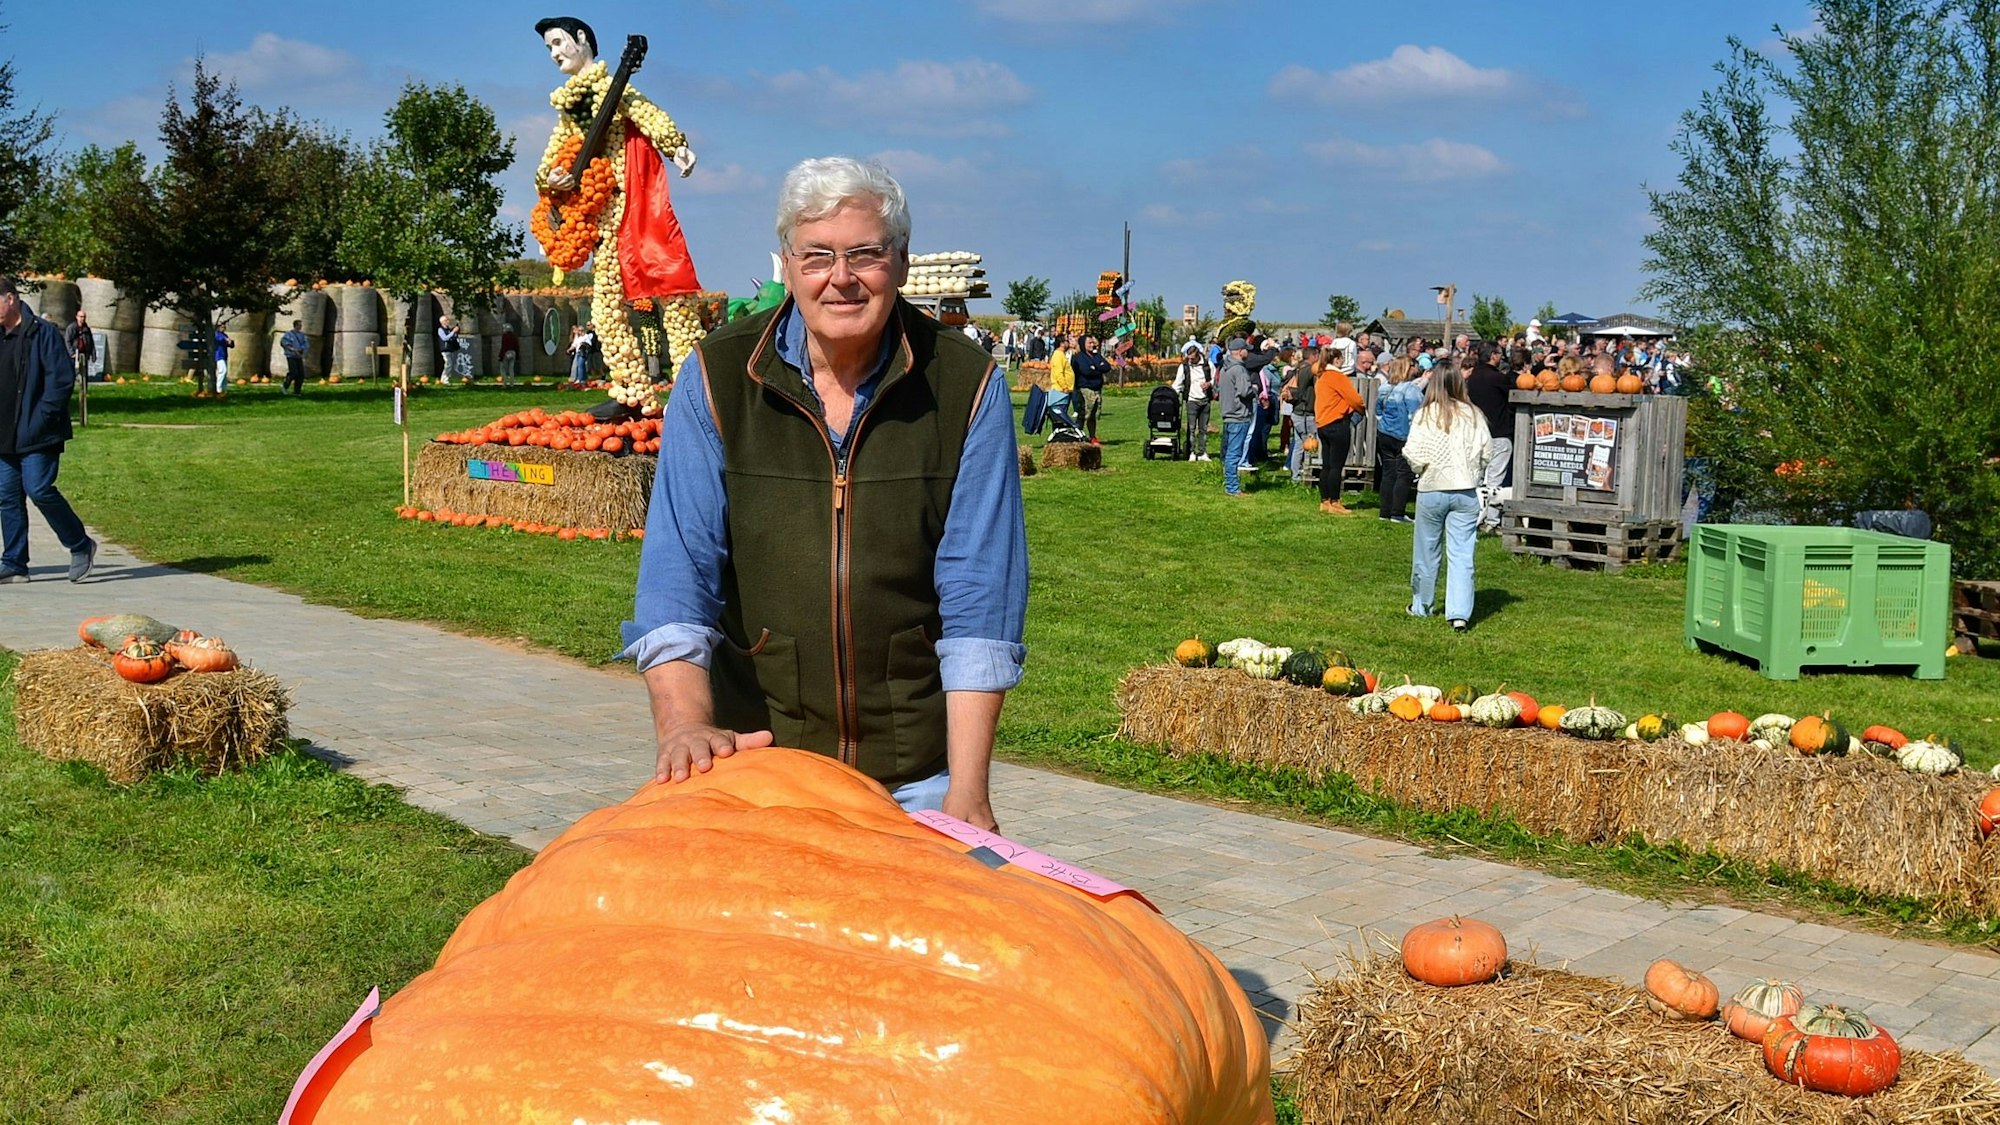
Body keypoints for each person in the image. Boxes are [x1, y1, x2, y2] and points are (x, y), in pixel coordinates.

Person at [620, 156, 1026, 831]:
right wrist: (685, 726)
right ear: (787, 262)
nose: (841, 278)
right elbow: (676, 576)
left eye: (864, 255)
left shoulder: (966, 385)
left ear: (899, 261)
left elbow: (980, 598)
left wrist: (969, 789)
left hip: (914, 777)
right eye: (817, 257)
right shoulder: (718, 377)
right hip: (759, 762)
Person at [534, 16, 703, 395]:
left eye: (559, 42)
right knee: (606, 312)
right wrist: (551, 179)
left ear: (582, 39)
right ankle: (632, 392)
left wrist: (675, 146)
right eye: (549, 48)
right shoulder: (569, 110)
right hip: (603, 221)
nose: (554, 53)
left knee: (671, 288)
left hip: (635, 207)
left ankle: (692, 388)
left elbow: (647, 113)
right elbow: (552, 159)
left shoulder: (614, 89)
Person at [0, 278, 96, 584]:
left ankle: (80, 545)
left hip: (38, 432)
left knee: (38, 489)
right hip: (4, 435)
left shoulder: (43, 333)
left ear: (10, 298)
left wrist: (42, 418)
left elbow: (60, 381)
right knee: (7, 497)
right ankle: (14, 562)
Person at [1403, 358, 1491, 632]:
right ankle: (1459, 614)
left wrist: (1422, 468)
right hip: (1465, 490)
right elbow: (1487, 451)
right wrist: (1474, 471)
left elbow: (1413, 452)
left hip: (1432, 488)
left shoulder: (1425, 414)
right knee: (1462, 553)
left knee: (1427, 552)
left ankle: (1422, 606)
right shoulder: (1474, 414)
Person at [1464, 342, 1514, 533]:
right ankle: (1492, 521)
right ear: (1493, 355)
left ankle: (1472, 515)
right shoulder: (1498, 378)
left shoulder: (1473, 377)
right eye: (1499, 354)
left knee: (1476, 477)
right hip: (1499, 432)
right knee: (1495, 480)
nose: (1500, 357)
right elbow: (1513, 395)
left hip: (1477, 433)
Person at [1312, 343, 1364, 515]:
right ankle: (1335, 501)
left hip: (1323, 424)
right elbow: (1355, 399)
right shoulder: (1337, 376)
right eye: (1341, 358)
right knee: (1336, 466)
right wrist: (1360, 409)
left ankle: (1324, 500)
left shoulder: (1321, 376)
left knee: (1326, 465)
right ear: (1336, 360)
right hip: (1337, 423)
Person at [1375, 357, 1422, 523]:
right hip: (1404, 435)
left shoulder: (1384, 388)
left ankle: (1385, 512)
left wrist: (1384, 424)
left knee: (1388, 473)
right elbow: (1416, 414)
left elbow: (1378, 410)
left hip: (1385, 433)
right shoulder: (1411, 389)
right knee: (1404, 474)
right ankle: (1397, 512)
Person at [1217, 337, 1256, 496]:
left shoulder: (1225, 368)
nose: (1248, 351)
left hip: (1228, 414)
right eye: (1246, 349)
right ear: (1240, 351)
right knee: (1234, 454)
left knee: (1228, 453)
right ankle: (1232, 488)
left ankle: (1230, 484)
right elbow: (1244, 391)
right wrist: (1253, 388)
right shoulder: (1239, 369)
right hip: (1239, 415)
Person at [1172, 340, 1213, 460]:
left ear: (1198, 355)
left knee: (1203, 429)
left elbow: (1215, 379)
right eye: (1189, 358)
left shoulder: (1208, 365)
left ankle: (1203, 452)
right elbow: (1178, 384)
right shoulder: (1184, 367)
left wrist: (1209, 384)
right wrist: (1173, 396)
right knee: (1191, 428)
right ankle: (1191, 452)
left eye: (1193, 359)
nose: (1191, 361)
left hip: (1205, 400)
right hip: (1191, 400)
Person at [1071, 334, 1110, 445]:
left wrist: (1095, 367)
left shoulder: (1096, 355)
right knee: (1084, 414)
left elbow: (1107, 367)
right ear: (1083, 344)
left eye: (1093, 342)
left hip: (1097, 388)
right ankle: (1078, 436)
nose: (1092, 345)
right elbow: (1086, 371)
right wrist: (1098, 368)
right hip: (1085, 388)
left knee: (1093, 415)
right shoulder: (1079, 357)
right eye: (1089, 343)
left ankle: (1092, 436)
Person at [1047, 333, 1075, 422]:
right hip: (1060, 391)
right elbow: (1059, 373)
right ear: (1062, 343)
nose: (1069, 343)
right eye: (1067, 341)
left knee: (1062, 414)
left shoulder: (1061, 354)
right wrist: (1065, 387)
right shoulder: (1058, 355)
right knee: (1060, 415)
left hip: (1064, 390)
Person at [63, 310, 95, 382]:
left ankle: (84, 390)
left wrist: (93, 354)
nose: (82, 319)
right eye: (80, 317)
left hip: (84, 353)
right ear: (77, 317)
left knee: (84, 373)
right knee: (73, 372)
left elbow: (91, 342)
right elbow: (67, 341)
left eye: (84, 317)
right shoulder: (71, 328)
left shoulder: (87, 329)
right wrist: (71, 353)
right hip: (74, 354)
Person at [280, 319, 308, 395]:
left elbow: (305, 344)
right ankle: (285, 386)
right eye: (299, 325)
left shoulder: (302, 335)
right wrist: (293, 350)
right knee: (294, 372)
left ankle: (297, 391)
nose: (300, 326)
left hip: (299, 356)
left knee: (301, 374)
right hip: (291, 356)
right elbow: (284, 343)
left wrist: (301, 351)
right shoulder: (288, 334)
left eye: (301, 325)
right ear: (295, 325)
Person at [212, 325, 235, 394]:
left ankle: (224, 389)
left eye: (224, 327)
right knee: (222, 371)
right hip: (218, 356)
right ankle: (218, 388)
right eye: (222, 327)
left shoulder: (224, 335)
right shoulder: (216, 335)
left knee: (225, 373)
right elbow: (221, 339)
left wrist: (231, 342)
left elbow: (230, 344)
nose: (223, 328)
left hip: (224, 356)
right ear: (218, 328)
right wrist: (227, 340)